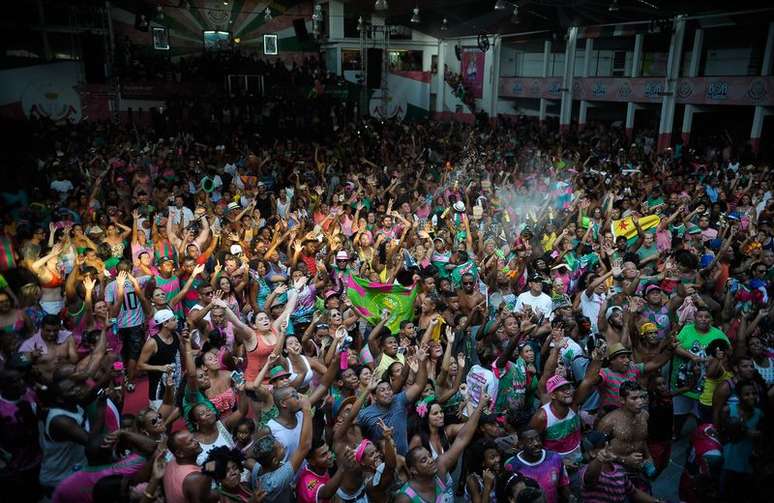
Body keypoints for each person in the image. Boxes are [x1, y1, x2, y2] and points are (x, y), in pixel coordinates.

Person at [503, 427, 570, 503]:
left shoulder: (554, 458)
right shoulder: (512, 466)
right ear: (521, 444)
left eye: (538, 439)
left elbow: (564, 485)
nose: (536, 443)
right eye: (530, 441)